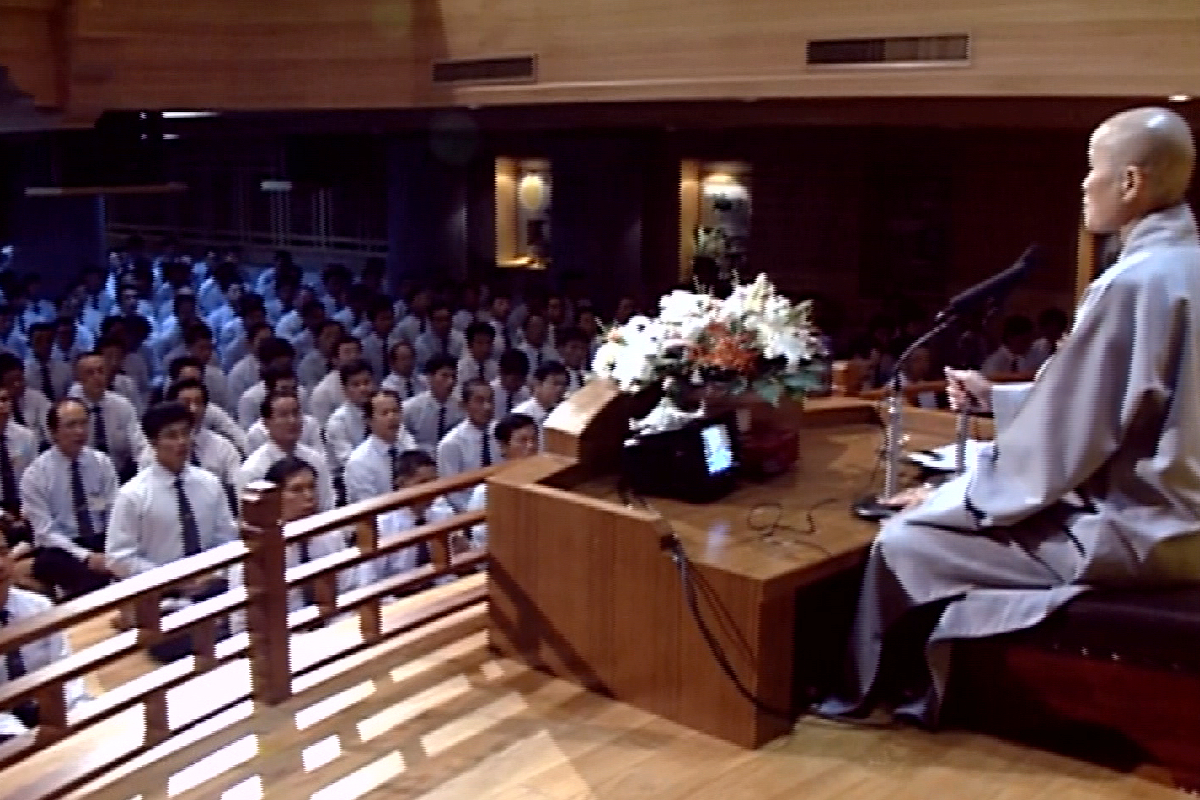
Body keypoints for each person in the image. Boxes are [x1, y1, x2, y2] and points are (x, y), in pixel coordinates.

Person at [818, 107, 1200, 729]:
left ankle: (876, 695)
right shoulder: (1187, 266)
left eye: (1091, 170)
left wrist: (951, 500)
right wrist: (999, 400)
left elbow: (1060, 452)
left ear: (1130, 182)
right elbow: (1122, 408)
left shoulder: (1135, 283)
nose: (1083, 186)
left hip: (1139, 534)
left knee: (907, 542)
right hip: (1186, 524)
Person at [19, 398, 120, 600]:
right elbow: (45, 532)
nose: (79, 431)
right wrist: (86, 556)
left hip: (101, 537)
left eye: (83, 423)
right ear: (53, 432)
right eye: (71, 425)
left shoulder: (101, 463)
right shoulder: (36, 474)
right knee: (58, 562)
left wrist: (113, 548)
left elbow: (116, 511)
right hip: (62, 546)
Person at [0, 535, 91, 741]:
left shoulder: (39, 607)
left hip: (44, 708)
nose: (0, 565)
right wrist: (23, 738)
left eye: (3, 552)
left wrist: (77, 712)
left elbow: (64, 672)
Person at [466, 413, 537, 548]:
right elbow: (482, 540)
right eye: (523, 440)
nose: (531, 446)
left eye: (534, 439)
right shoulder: (485, 492)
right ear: (503, 447)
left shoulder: (550, 480)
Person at [436, 379, 497, 510]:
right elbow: (450, 491)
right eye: (480, 401)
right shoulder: (451, 444)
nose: (487, 407)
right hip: (468, 512)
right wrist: (475, 514)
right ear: (464, 405)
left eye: (490, 400)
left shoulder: (501, 433)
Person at [513, 361, 568, 450]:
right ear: (538, 383)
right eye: (555, 384)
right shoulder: (520, 414)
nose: (560, 389)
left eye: (563, 385)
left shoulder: (563, 413)